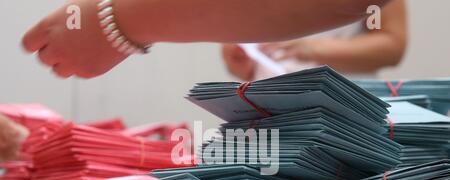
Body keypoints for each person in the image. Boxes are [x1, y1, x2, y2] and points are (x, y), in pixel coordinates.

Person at [22, 0, 393, 79]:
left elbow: (389, 44)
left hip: (347, 116)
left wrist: (116, 22)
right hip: (277, 117)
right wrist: (244, 63)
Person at [222, 0, 407, 81]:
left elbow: (392, 45)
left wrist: (314, 49)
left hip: (343, 118)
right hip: (268, 112)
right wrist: (242, 61)